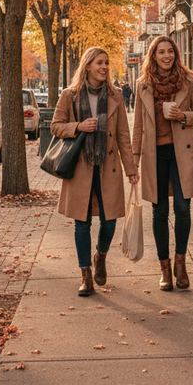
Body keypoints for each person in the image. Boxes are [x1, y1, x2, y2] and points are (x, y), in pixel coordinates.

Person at [50, 47, 138, 297]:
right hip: (81, 167)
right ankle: (85, 274)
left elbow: (123, 135)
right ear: (87, 65)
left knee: (110, 220)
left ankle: (100, 255)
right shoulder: (70, 95)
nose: (104, 67)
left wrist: (131, 169)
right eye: (99, 62)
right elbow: (55, 126)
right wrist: (78, 126)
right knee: (82, 222)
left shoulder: (115, 95)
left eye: (106, 63)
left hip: (107, 166)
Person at [132, 35, 193, 291]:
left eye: (170, 52)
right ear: (153, 56)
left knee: (183, 208)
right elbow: (138, 125)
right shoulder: (143, 84)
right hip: (155, 154)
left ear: (176, 54)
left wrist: (182, 115)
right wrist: (134, 161)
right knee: (160, 211)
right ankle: (164, 269)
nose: (167, 56)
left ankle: (180, 264)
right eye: (161, 52)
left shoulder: (188, 79)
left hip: (182, 153)